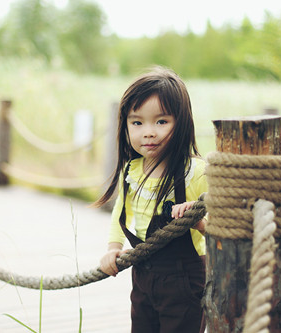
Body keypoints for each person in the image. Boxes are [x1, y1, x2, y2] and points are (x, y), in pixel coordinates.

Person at [94, 66, 208, 333]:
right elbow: (119, 212)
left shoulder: (195, 172)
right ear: (125, 126)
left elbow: (226, 225)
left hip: (184, 282)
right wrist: (113, 248)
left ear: (182, 123)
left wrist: (199, 221)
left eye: (161, 121)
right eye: (137, 122)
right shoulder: (131, 171)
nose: (148, 132)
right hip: (143, 275)